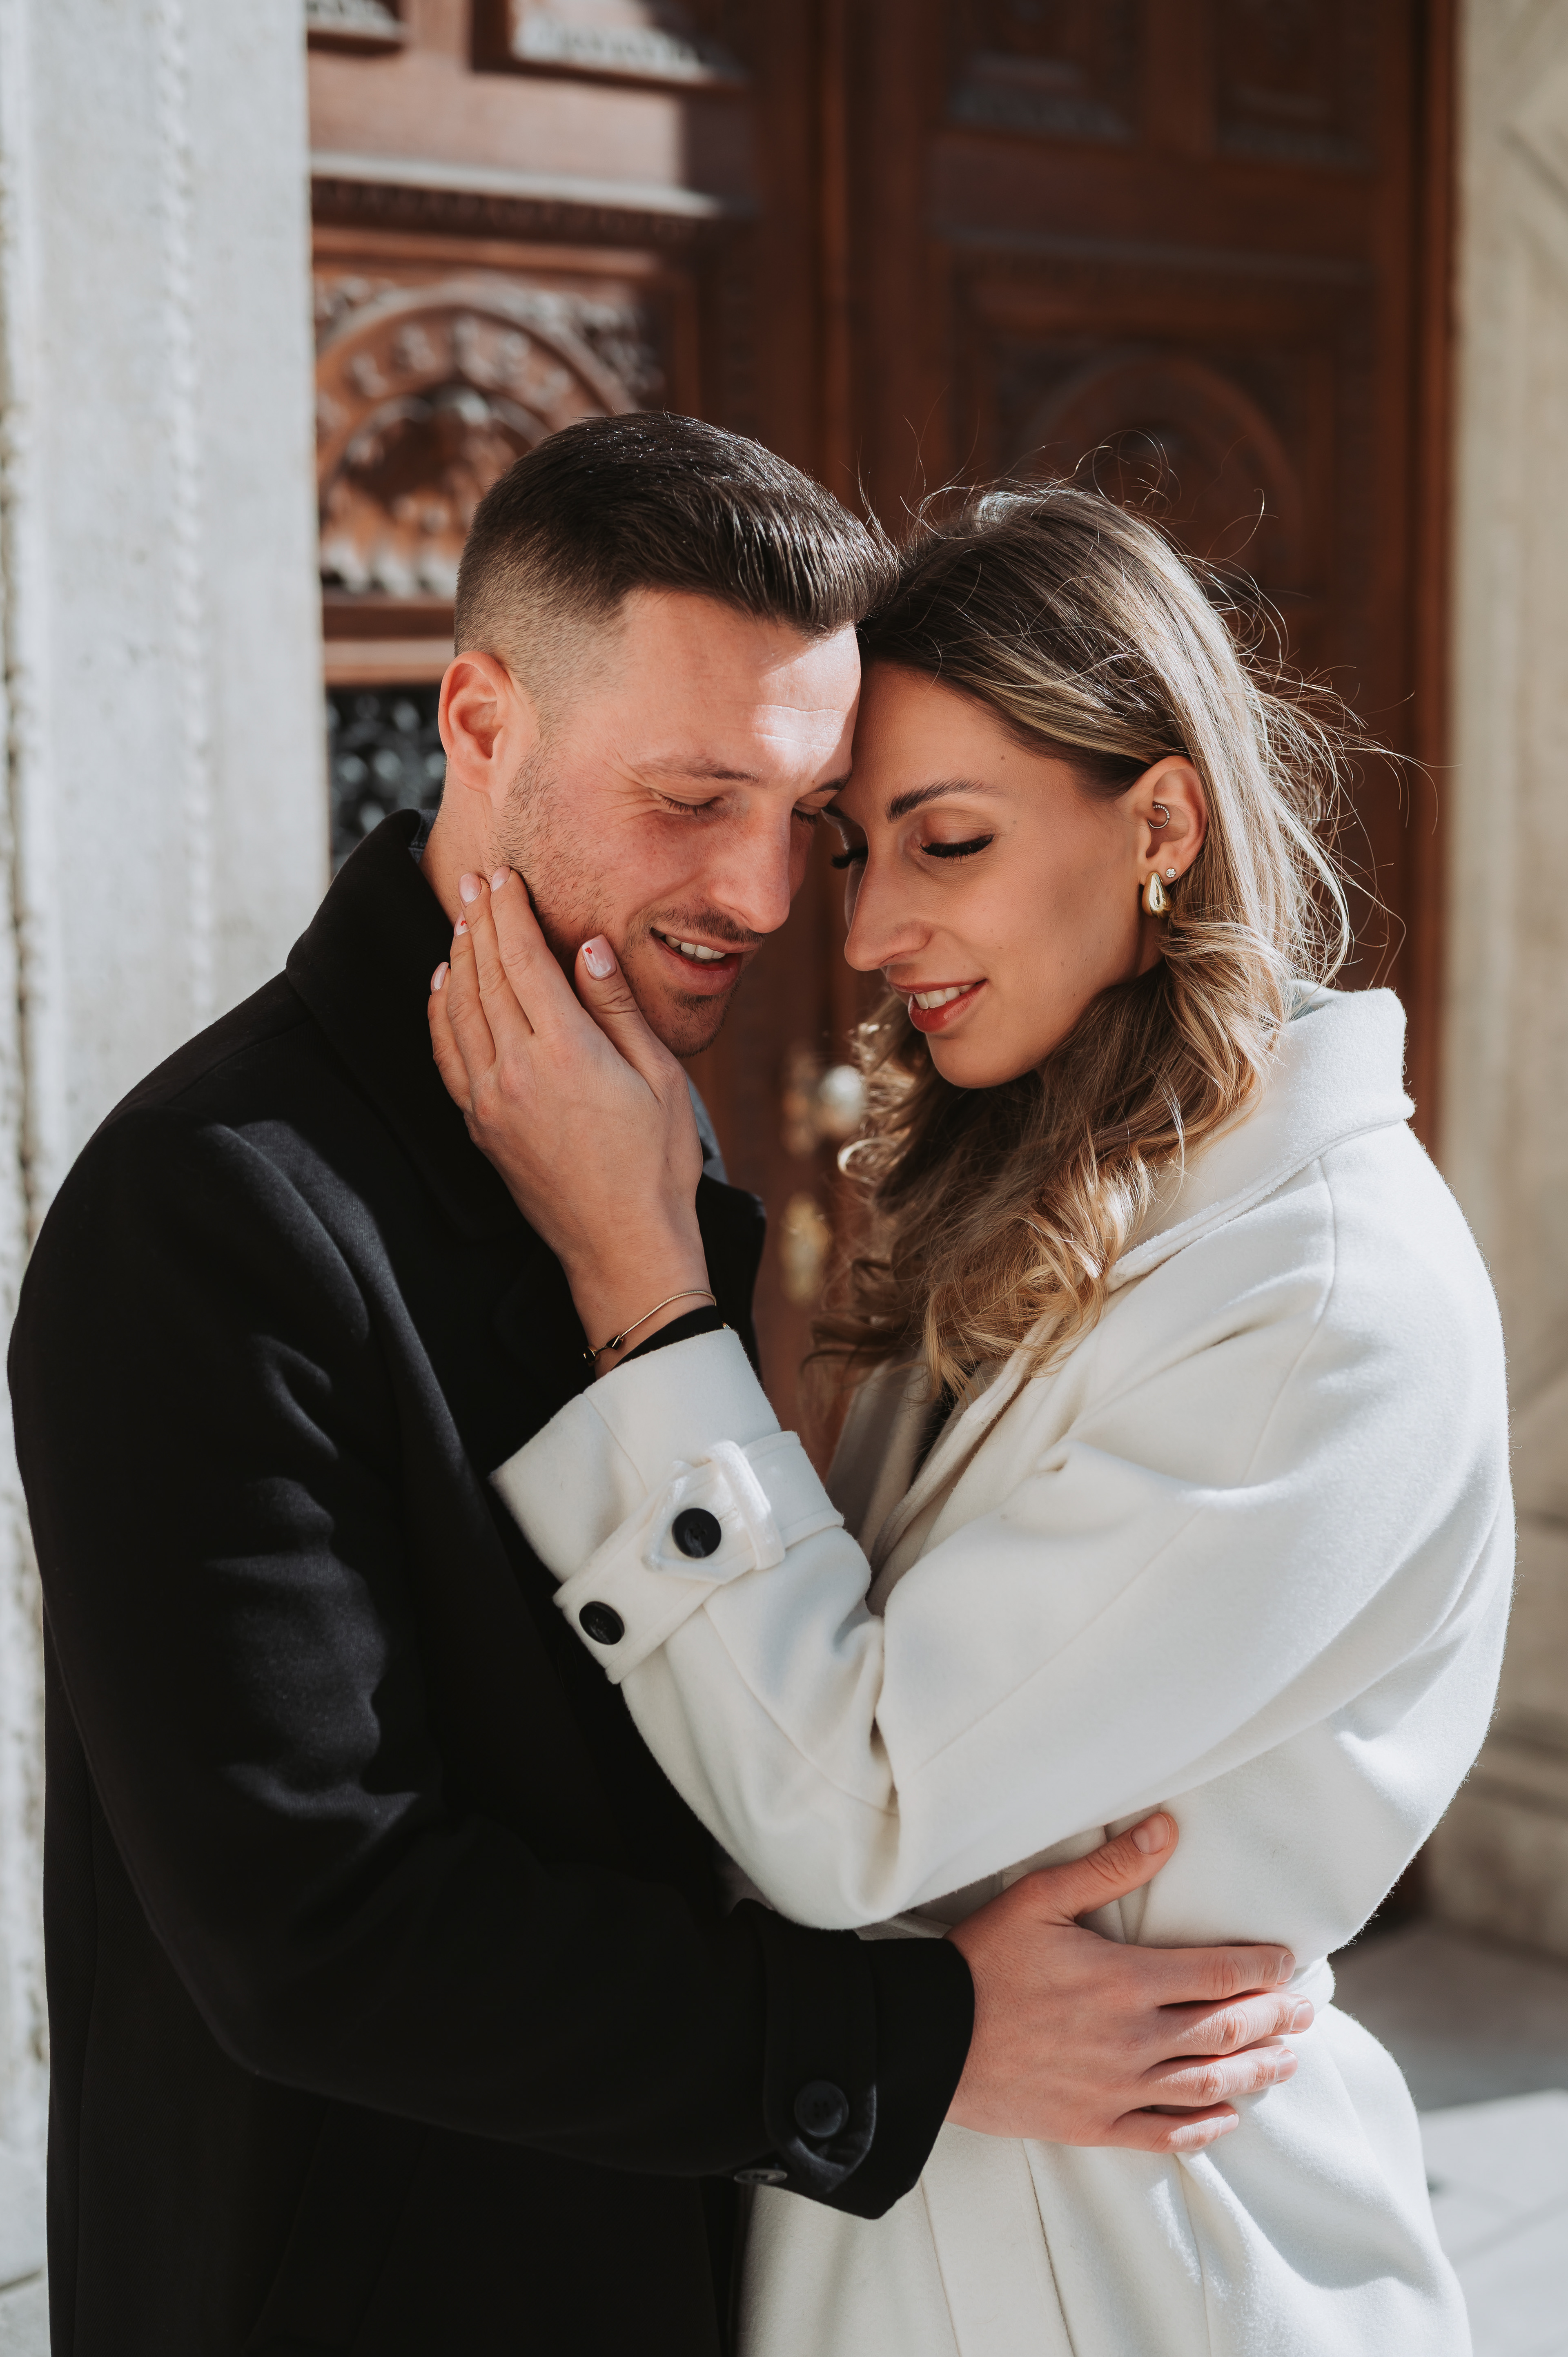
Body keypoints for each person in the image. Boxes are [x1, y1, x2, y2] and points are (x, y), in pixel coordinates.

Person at [8, 419, 1308, 2357]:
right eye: (694, 798)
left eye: (805, 815)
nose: (768, 896)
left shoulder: (646, 1121)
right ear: (480, 720)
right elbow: (312, 1932)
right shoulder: (206, 1208)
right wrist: (919, 2041)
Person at [428, 481, 1513, 2356]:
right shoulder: (1056, 1190)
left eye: (948, 841)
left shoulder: (1322, 1305)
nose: (863, 931)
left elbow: (854, 1811)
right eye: (857, 850)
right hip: (913, 2212)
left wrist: (639, 1284)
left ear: (1159, 823)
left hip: (1135, 2265)